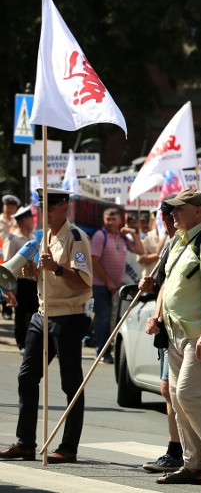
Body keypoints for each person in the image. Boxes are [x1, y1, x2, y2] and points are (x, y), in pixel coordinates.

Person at [0, 188, 93, 464]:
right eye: (42, 207)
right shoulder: (44, 237)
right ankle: (25, 442)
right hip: (43, 314)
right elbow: (42, 275)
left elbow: (84, 281)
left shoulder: (76, 237)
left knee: (70, 383)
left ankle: (68, 447)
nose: (44, 212)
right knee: (26, 376)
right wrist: (32, 272)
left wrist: (57, 269)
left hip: (68, 315)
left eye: (49, 206)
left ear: (64, 206)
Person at [145, 189, 201, 485]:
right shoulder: (179, 241)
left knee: (187, 394)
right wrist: (156, 316)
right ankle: (192, 463)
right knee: (177, 398)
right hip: (176, 333)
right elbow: (168, 285)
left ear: (198, 210)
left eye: (179, 209)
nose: (174, 214)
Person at [138, 195, 183, 473]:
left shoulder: (197, 243)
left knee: (182, 392)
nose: (168, 222)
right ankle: (176, 448)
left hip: (187, 329)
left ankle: (194, 451)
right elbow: (166, 285)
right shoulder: (172, 244)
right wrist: (155, 310)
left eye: (168, 217)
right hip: (169, 326)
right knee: (169, 389)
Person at [91, 208, 144, 364]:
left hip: (116, 286)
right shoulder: (100, 236)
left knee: (112, 320)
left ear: (120, 221)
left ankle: (106, 350)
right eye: (108, 219)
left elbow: (140, 250)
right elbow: (94, 261)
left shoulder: (122, 238)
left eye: (114, 219)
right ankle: (101, 352)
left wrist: (133, 233)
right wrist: (108, 281)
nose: (110, 222)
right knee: (104, 318)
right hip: (101, 285)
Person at [2, 206, 38, 350]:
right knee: (21, 314)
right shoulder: (12, 239)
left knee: (34, 314)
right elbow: (7, 265)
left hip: (33, 281)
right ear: (24, 221)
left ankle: (31, 343)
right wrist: (10, 287)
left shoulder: (33, 237)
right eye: (31, 219)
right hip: (20, 282)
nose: (33, 221)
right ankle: (21, 343)